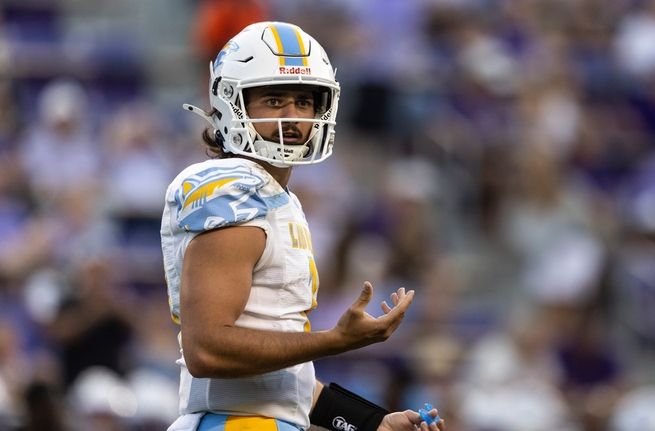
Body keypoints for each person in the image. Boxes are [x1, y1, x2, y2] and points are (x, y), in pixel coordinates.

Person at [161, 21, 446, 431]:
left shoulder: (278, 199)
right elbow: (207, 349)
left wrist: (370, 423)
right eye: (274, 100)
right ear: (231, 103)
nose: (293, 118)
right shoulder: (233, 191)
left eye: (304, 101)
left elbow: (281, 381)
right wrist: (335, 340)